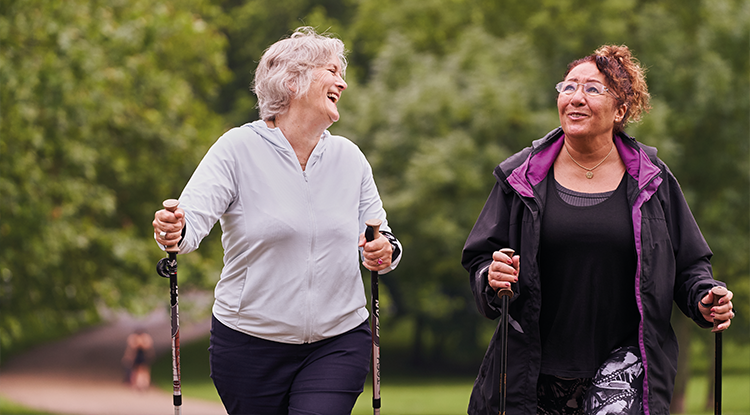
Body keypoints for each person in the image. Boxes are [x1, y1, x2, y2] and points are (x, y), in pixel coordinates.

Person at [461, 45, 735, 415]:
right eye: (568, 87)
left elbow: (690, 265)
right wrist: (491, 276)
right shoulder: (520, 176)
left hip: (625, 367)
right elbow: (481, 256)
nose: (576, 98)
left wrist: (705, 297)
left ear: (620, 109)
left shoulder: (652, 180)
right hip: (533, 369)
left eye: (592, 89)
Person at [152, 27, 402, 415]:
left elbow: (381, 236)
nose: (343, 82)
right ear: (291, 80)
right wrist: (173, 229)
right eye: (332, 71)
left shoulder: (349, 159)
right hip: (248, 346)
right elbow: (189, 224)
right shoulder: (237, 149)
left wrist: (383, 250)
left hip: (338, 340)